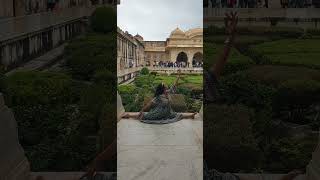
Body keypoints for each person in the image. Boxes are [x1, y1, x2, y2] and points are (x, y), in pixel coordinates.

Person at [123, 70, 196, 124]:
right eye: (164, 85)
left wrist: (178, 76)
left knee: (178, 115)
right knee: (144, 116)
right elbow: (149, 104)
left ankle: (190, 116)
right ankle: (129, 115)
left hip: (168, 112)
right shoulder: (158, 97)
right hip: (159, 113)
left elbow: (174, 85)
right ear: (163, 88)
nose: (166, 85)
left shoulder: (167, 92)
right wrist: (142, 110)